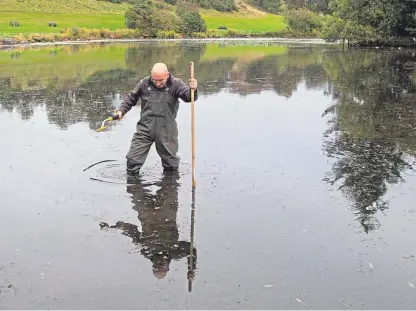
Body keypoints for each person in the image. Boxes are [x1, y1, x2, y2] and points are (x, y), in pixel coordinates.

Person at [99, 171, 197, 280]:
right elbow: (191, 250)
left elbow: (133, 231)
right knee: (170, 181)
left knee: (132, 186)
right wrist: (191, 267)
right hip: (167, 211)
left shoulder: (146, 251)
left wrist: (116, 227)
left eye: (156, 266)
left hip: (146, 213)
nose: (159, 262)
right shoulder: (175, 252)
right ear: (168, 267)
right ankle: (170, 166)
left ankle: (136, 171)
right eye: (161, 265)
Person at [115, 63, 198, 176]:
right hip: (145, 128)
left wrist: (194, 89)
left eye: (161, 80)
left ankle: (169, 188)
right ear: (151, 76)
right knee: (132, 160)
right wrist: (121, 111)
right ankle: (133, 187)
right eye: (155, 80)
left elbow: (189, 97)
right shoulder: (144, 83)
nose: (158, 83)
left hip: (166, 130)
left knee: (170, 164)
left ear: (167, 75)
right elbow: (131, 98)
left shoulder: (176, 84)